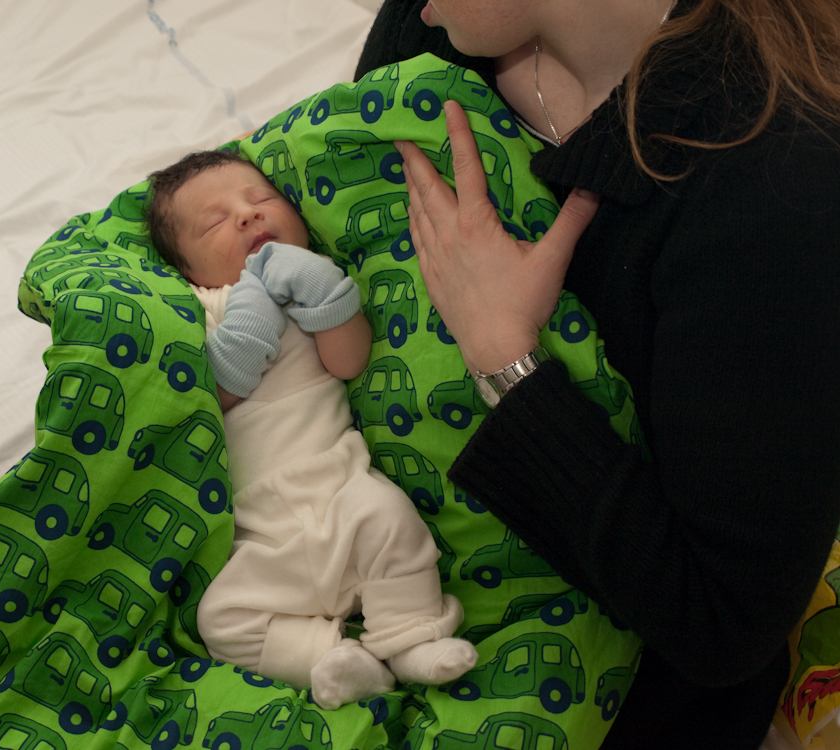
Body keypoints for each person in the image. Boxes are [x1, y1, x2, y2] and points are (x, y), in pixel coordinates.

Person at [355, 0, 840, 747]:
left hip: (605, 681)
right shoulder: (438, 30)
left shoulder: (780, 182)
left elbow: (722, 624)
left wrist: (504, 356)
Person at [145, 150, 478, 710]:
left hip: (341, 487)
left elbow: (348, 361)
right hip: (265, 533)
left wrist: (322, 289)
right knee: (219, 619)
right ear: (189, 271)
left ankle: (411, 639)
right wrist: (252, 302)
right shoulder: (202, 307)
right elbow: (222, 387)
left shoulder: (311, 280)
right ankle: (333, 659)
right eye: (215, 222)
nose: (247, 215)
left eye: (260, 199)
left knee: (391, 521)